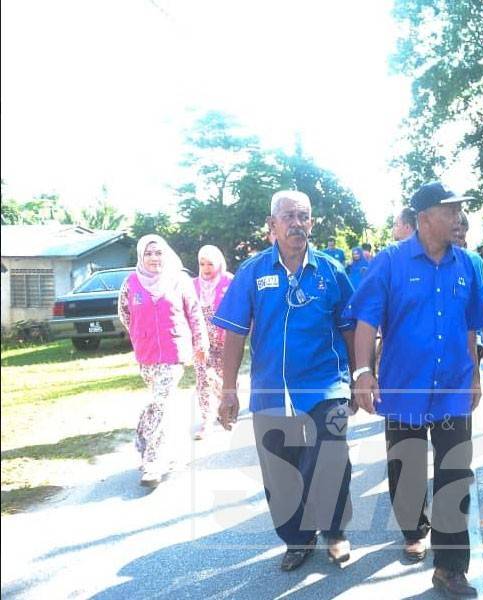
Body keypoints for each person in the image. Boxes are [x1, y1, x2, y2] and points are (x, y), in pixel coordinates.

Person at [349, 181, 483, 598]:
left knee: (455, 476)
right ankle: (413, 527)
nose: (458, 218)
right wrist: (362, 374)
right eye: (450, 210)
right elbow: (367, 322)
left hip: (452, 389)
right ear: (425, 217)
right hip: (404, 386)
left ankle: (449, 568)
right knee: (406, 471)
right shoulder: (389, 263)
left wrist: (476, 376)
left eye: (459, 211)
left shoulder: (466, 265)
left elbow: (470, 326)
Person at [213, 190, 356, 572]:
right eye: (288, 217)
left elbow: (349, 328)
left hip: (326, 384)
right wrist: (229, 390)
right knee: (279, 469)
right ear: (272, 225)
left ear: (311, 222)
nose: (297, 224)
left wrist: (358, 377)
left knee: (332, 455)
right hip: (271, 388)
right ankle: (297, 538)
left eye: (303, 216)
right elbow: (234, 332)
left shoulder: (330, 271)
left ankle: (335, 531)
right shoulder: (253, 272)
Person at [118, 234, 209, 487]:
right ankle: (143, 435)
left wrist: (200, 343)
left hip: (173, 350)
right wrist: (140, 335)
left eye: (158, 253)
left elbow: (194, 312)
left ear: (166, 254)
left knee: (161, 401)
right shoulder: (131, 283)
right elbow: (125, 314)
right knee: (158, 403)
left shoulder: (179, 280)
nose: (154, 258)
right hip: (146, 354)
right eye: (148, 253)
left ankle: (152, 462)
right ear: (141, 257)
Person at [192, 245, 234, 440]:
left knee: (223, 378)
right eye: (202, 263)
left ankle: (226, 409)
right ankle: (206, 421)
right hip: (201, 341)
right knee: (203, 378)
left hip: (225, 339)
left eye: (210, 263)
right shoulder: (192, 285)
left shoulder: (229, 281)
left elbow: (240, 309)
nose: (206, 268)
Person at [454, 209, 483, 363]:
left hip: (471, 341)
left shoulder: (475, 261)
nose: (457, 237)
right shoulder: (432, 261)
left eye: (461, 233)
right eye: (455, 231)